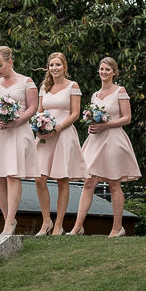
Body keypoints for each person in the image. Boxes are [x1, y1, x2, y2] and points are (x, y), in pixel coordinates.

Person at [71, 57, 141, 237]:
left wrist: (105, 125)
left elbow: (127, 118)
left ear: (114, 72)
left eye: (108, 69)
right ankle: (78, 226)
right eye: (101, 69)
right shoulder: (94, 95)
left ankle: (117, 227)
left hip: (113, 139)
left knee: (114, 183)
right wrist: (91, 123)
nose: (104, 72)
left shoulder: (120, 91)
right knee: (88, 182)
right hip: (95, 140)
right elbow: (94, 116)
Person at [0, 45, 38, 235]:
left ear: (10, 62)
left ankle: (10, 221)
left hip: (19, 132)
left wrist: (16, 120)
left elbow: (32, 107)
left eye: (0, 65)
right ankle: (8, 220)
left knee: (13, 175)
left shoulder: (27, 82)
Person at [31, 52, 86, 235]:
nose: (54, 68)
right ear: (48, 68)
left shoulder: (73, 86)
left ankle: (59, 225)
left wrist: (59, 128)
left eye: (58, 65)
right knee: (39, 177)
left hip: (63, 134)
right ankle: (46, 221)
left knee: (62, 179)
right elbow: (39, 111)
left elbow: (75, 113)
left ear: (65, 67)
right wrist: (39, 126)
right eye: (51, 65)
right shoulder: (44, 87)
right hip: (45, 135)